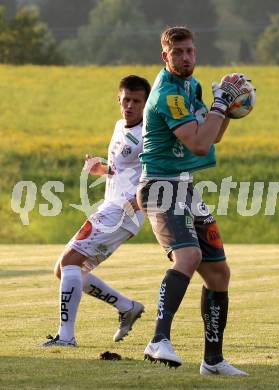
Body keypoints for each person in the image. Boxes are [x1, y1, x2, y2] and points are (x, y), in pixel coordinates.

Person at [137, 26, 249, 376]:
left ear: (195, 53)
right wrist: (218, 103)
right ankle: (158, 339)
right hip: (159, 185)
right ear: (165, 56)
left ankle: (212, 361)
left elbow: (209, 134)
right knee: (189, 256)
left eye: (189, 51)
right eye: (178, 52)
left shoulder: (191, 86)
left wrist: (226, 111)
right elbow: (199, 145)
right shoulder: (168, 93)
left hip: (184, 187)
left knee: (218, 272)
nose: (185, 57)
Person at [42, 75, 151, 347]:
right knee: (66, 269)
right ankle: (127, 307)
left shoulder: (148, 134)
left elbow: (157, 171)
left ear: (146, 104)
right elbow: (123, 169)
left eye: (137, 101)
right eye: (126, 99)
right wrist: (102, 170)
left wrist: (141, 200)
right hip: (112, 208)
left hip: (122, 212)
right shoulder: (119, 126)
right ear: (118, 99)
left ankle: (66, 337)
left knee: (68, 262)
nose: (130, 106)